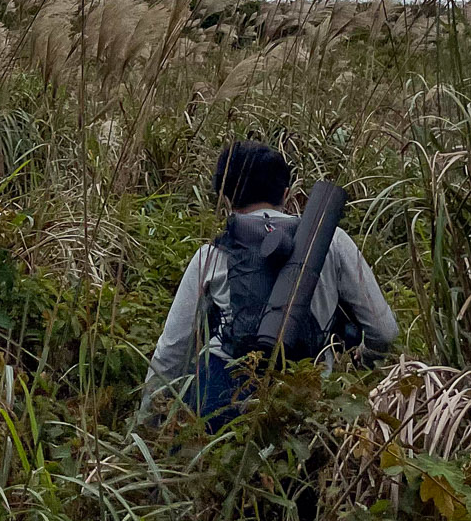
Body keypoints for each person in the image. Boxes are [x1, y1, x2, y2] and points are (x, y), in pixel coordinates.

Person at [136, 140, 397, 426]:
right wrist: (364, 361)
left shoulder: (210, 255)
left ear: (224, 197)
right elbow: (384, 332)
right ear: (286, 193)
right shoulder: (333, 242)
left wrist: (147, 423)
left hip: (221, 405)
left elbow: (172, 350)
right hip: (308, 403)